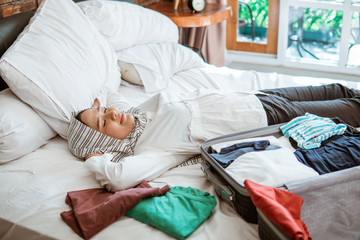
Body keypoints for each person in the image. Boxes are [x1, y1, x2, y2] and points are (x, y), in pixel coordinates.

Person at [68, 83, 360, 191]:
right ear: (109, 142)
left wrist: (101, 105)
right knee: (353, 110)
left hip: (258, 96)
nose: (112, 114)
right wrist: (95, 159)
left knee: (342, 89)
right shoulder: (153, 148)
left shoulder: (139, 113)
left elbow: (111, 91)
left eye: (105, 110)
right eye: (104, 123)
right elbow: (118, 178)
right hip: (270, 117)